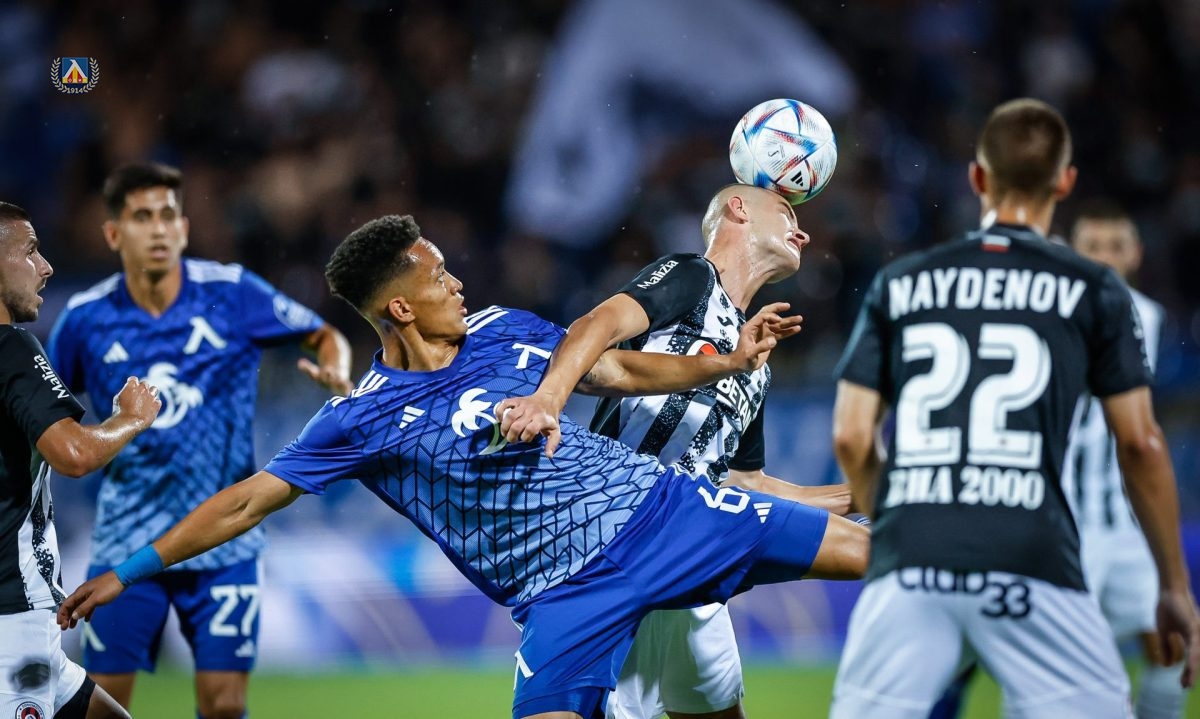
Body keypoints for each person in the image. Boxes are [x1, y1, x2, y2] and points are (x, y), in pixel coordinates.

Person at [57, 213, 870, 719]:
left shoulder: (503, 327)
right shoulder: (361, 417)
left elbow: (616, 369)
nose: (457, 282)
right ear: (400, 307)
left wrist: (724, 363)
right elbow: (245, 502)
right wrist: (128, 570)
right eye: (439, 276)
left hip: (659, 512)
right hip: (562, 596)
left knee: (870, 549)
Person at [828, 98, 1200, 717]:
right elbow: (1141, 443)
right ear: (1065, 181)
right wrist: (1175, 585)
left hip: (914, 553)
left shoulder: (902, 282)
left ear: (978, 178)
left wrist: (893, 521)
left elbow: (850, 436)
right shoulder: (1094, 290)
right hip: (1033, 549)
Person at [499, 183, 851, 719]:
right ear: (737, 209)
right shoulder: (692, 277)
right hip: (622, 539)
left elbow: (747, 484)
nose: (801, 232)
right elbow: (596, 325)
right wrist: (549, 398)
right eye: (785, 213)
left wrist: (865, 494)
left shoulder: (755, 359)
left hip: (693, 542)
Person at [46, 162, 353, 719]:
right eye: (142, 217)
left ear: (185, 228)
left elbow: (323, 333)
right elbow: (48, 418)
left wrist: (334, 366)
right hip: (126, 536)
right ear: (114, 233)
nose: (159, 229)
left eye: (168, 216)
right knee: (103, 702)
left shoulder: (232, 292)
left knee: (224, 704)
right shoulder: (84, 319)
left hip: (222, 541)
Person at [0, 201, 161, 719]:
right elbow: (74, 453)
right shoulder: (11, 349)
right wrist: (131, 418)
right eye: (30, 251)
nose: (45, 267)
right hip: (12, 622)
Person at [1062, 201, 1184, 718]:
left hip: (1127, 523)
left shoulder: (1149, 317)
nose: (1106, 257)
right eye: (1094, 246)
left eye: (1116, 246)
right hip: (1068, 522)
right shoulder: (1053, 311)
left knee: (1172, 648)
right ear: (1073, 252)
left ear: (1135, 253)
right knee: (1059, 666)